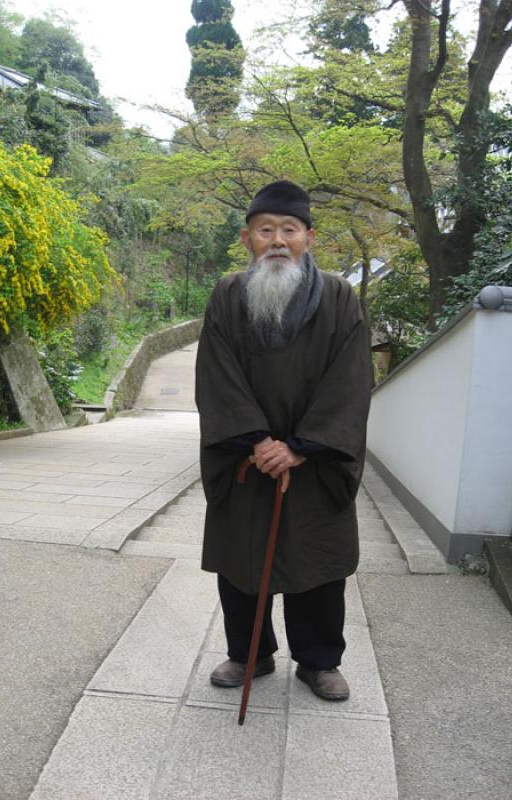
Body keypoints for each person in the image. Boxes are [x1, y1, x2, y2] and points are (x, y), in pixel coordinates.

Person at [195, 180, 372, 701]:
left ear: (308, 238)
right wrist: (257, 441)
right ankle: (249, 654)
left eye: (288, 230)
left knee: (317, 564)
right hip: (246, 461)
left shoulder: (340, 299)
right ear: (248, 238)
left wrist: (300, 445)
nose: (277, 240)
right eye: (265, 230)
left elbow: (351, 379)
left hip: (314, 463)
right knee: (242, 563)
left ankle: (318, 661)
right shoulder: (228, 294)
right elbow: (217, 374)